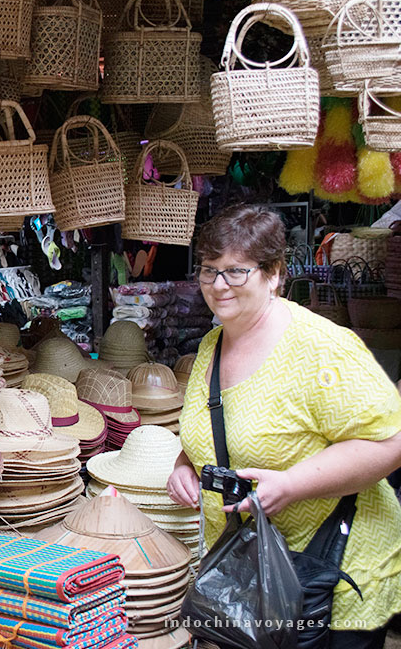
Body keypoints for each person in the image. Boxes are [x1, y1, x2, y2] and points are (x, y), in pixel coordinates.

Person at [167, 204, 401, 649]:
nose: (219, 286)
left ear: (274, 274)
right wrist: (186, 464)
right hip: (253, 576)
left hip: (330, 573)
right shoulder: (212, 345)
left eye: (236, 272)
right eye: (209, 271)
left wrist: (292, 484)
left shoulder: (320, 347)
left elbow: (391, 442)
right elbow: (219, 429)